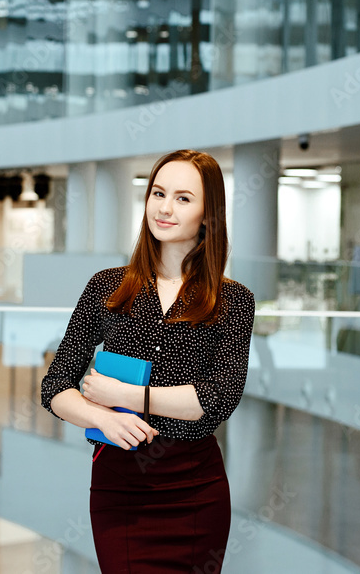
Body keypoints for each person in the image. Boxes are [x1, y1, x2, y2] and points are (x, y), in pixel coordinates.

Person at [40, 149, 256, 573]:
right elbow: (56, 386)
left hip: (196, 489)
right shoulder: (107, 287)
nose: (164, 207)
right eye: (158, 193)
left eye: (182, 198)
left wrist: (124, 396)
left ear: (208, 214)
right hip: (119, 489)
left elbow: (216, 400)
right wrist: (99, 418)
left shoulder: (233, 301)